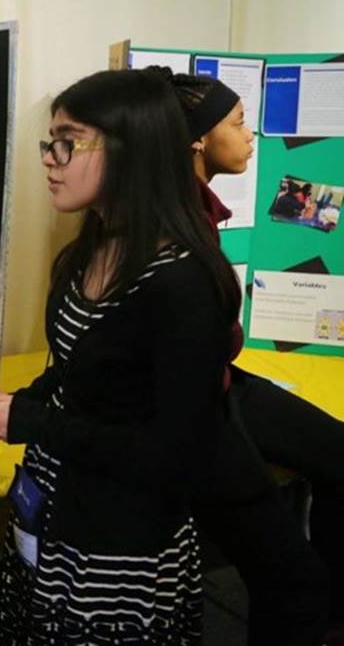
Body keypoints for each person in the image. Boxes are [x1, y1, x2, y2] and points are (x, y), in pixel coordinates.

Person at [0, 68, 243, 643]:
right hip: (59, 514)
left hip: (120, 552)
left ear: (132, 149)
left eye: (67, 143)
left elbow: (171, 454)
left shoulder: (182, 286)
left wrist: (33, 421)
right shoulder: (87, 252)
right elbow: (77, 372)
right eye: (50, 142)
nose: (50, 158)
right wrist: (21, 403)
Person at [168, 70, 342, 645]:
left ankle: (327, 611)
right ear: (196, 138)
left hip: (219, 381)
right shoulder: (174, 226)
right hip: (197, 406)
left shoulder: (200, 212)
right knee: (293, 581)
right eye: (239, 123)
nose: (252, 137)